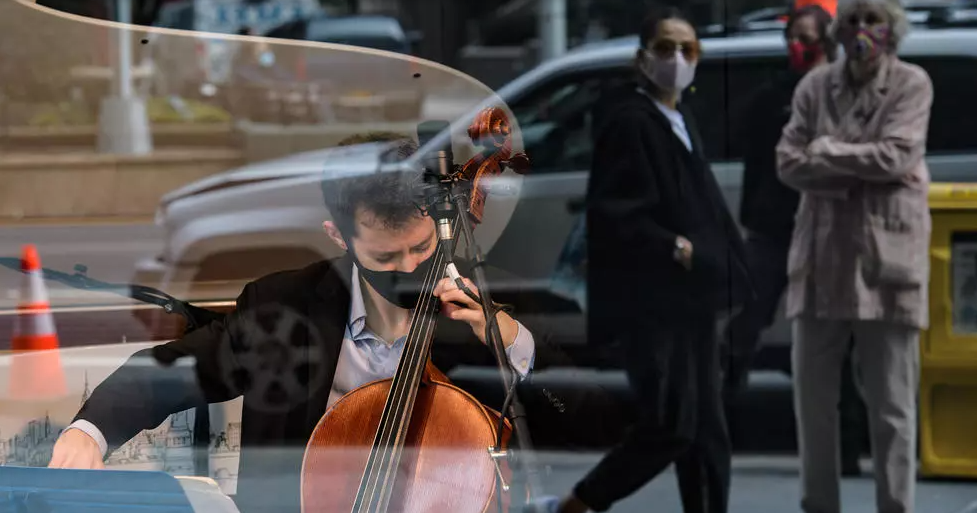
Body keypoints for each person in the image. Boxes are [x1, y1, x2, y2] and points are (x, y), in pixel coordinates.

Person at [47, 134, 578, 513]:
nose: (413, 268)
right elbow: (168, 372)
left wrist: (513, 342)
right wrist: (88, 433)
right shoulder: (286, 304)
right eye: (387, 256)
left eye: (423, 247)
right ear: (339, 237)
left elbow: (593, 422)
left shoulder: (493, 301)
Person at [528, 5, 753, 513]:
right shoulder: (630, 120)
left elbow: (704, 202)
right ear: (642, 58)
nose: (677, 58)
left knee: (707, 431)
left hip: (689, 296)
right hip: (652, 300)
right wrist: (675, 246)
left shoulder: (679, 118)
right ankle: (576, 503)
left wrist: (724, 266)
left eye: (687, 49)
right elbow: (614, 214)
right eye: (666, 48)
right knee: (673, 424)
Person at [775, 0, 933, 511]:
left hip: (886, 263)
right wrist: (862, 164)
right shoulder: (813, 87)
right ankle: (818, 504)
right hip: (819, 260)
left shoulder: (912, 84)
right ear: (840, 32)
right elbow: (787, 163)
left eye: (874, 21)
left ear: (891, 31)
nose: (863, 30)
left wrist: (826, 152)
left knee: (891, 405)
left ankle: (896, 506)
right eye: (854, 21)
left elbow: (898, 155)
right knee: (813, 404)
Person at [722, 3, 867, 477]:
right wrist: (753, 217)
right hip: (772, 230)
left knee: (837, 338)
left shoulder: (846, 94)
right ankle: (717, 428)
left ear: (826, 42)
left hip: (829, 231)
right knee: (743, 326)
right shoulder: (774, 96)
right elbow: (755, 160)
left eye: (804, 38)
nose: (795, 47)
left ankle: (844, 447)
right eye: (791, 38)